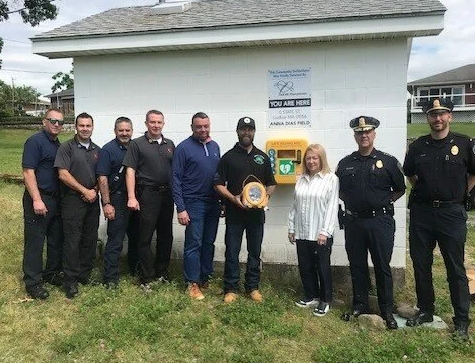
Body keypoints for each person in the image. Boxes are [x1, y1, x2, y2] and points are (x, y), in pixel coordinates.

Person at [403, 98, 475, 340]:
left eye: (442, 114)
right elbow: (411, 174)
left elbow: (473, 173)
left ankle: (462, 320)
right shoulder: (417, 147)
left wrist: (459, 193)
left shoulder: (464, 144)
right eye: (433, 115)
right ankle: (425, 310)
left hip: (451, 213)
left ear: (450, 116)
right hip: (422, 213)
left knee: (455, 267)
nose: (437, 119)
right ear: (428, 118)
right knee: (421, 264)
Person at [336, 116, 405, 330]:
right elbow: (338, 190)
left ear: (374, 134)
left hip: (380, 221)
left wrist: (383, 203)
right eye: (359, 132)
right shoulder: (345, 163)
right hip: (354, 222)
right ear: (354, 136)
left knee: (382, 266)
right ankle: (360, 304)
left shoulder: (389, 161)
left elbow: (400, 188)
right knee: (357, 265)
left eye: (367, 131)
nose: (363, 135)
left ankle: (386, 309)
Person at [214, 116, 277, 303]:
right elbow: (218, 184)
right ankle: (231, 288)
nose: (246, 133)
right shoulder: (228, 157)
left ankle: (253, 287)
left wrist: (265, 197)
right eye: (243, 129)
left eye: (250, 130)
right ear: (237, 131)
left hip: (256, 215)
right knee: (232, 251)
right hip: (235, 213)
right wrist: (233, 198)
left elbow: (271, 184)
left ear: (254, 132)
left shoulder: (262, 157)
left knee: (254, 252)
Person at [123, 110, 175, 292]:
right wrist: (131, 197)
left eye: (159, 122)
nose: (156, 125)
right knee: (144, 237)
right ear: (146, 124)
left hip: (167, 195)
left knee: (166, 236)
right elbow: (130, 171)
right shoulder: (136, 145)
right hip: (147, 194)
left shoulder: (170, 145)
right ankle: (147, 277)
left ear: (163, 124)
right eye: (152, 122)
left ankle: (162, 272)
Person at [172, 112, 221, 300]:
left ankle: (204, 278)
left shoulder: (215, 146)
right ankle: (192, 283)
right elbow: (175, 178)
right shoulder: (183, 148)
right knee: (194, 243)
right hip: (193, 203)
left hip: (213, 203)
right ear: (192, 127)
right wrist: (181, 207)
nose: (203, 129)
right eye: (199, 126)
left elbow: (219, 177)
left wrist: (222, 202)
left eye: (206, 126)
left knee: (209, 243)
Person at [288, 144, 339, 316]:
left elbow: (332, 207)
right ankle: (311, 295)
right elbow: (295, 205)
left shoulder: (330, 179)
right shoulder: (300, 179)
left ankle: (325, 300)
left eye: (314, 158)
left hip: (320, 233)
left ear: (321, 159)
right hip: (302, 231)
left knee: (322, 267)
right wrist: (291, 227)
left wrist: (325, 231)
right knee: (305, 266)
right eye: (308, 158)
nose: (311, 161)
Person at [54, 112, 101, 299]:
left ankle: (84, 275)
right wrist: (84, 191)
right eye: (81, 125)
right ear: (76, 126)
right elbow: (63, 174)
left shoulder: (97, 150)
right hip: (73, 200)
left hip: (92, 199)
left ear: (92, 127)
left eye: (88, 126)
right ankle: (70, 280)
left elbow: (102, 174)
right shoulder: (66, 148)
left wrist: (94, 191)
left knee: (89, 238)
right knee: (72, 241)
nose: (85, 129)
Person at [22, 108, 65, 299]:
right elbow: (28, 172)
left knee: (55, 239)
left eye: (60, 122)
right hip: (40, 198)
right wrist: (37, 199)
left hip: (56, 199)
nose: (56, 124)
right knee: (36, 241)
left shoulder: (58, 145)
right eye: (53, 120)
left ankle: (51, 273)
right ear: (44, 122)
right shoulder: (35, 142)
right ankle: (33, 282)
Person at [97, 117, 139, 289]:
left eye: (127, 130)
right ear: (115, 131)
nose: (124, 133)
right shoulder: (108, 150)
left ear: (132, 131)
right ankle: (110, 278)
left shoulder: (136, 147)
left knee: (137, 238)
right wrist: (107, 203)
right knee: (116, 240)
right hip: (117, 199)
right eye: (121, 130)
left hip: (136, 199)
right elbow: (102, 177)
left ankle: (134, 270)